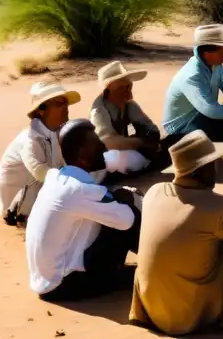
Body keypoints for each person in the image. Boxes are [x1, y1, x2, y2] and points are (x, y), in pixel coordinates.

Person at [129, 130, 223, 336]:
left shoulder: (155, 191)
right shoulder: (218, 206)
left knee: (213, 236)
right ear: (200, 170)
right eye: (212, 164)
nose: (216, 169)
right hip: (188, 317)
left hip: (151, 310)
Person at [26, 119, 141, 302]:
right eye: (96, 143)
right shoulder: (79, 190)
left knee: (112, 212)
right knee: (130, 213)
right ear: (82, 154)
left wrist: (115, 199)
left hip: (46, 281)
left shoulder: (56, 178)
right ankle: (164, 267)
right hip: (64, 286)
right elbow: (127, 220)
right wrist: (125, 199)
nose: (103, 146)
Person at [0, 81, 81, 223]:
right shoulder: (30, 139)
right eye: (60, 103)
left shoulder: (53, 133)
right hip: (18, 211)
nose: (66, 108)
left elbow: (62, 166)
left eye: (66, 103)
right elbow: (40, 172)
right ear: (41, 110)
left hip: (40, 198)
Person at [90, 61, 170, 175]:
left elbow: (152, 130)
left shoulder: (128, 104)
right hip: (108, 156)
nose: (128, 92)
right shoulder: (99, 110)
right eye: (123, 88)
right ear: (110, 88)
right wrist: (140, 142)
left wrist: (147, 138)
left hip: (126, 151)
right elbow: (108, 142)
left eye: (129, 86)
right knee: (116, 159)